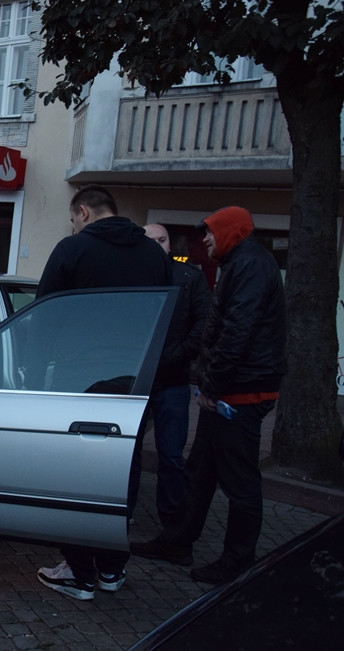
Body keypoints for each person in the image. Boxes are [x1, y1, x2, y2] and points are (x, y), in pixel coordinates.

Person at [131, 206, 286, 585]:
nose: (205, 240)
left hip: (239, 394)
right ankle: (178, 541)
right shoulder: (246, 263)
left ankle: (237, 560)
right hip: (234, 389)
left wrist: (211, 388)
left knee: (240, 482)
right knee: (200, 472)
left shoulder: (248, 267)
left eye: (211, 234)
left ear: (230, 233)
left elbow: (236, 333)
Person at [35, 185, 171, 601]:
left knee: (74, 478)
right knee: (121, 475)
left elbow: (44, 318)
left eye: (74, 218)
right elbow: (169, 319)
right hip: (136, 383)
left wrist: (35, 379)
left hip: (81, 382)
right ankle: (112, 569)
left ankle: (79, 573)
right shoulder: (153, 254)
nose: (74, 225)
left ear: (83, 212)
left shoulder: (72, 250)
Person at [135, 224, 211, 527]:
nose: (156, 245)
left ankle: (172, 525)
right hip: (135, 380)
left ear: (170, 245)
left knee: (171, 455)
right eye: (149, 240)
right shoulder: (131, 276)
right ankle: (122, 515)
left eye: (161, 239)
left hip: (173, 380)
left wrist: (175, 356)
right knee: (128, 454)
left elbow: (203, 325)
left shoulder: (190, 277)